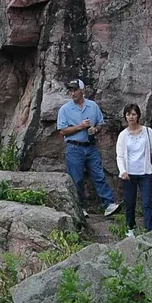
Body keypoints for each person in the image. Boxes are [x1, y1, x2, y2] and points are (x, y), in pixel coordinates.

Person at [56, 79, 118, 217]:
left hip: (90, 146)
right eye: (70, 90)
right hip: (74, 147)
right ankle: (79, 208)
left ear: (82, 91)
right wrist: (80, 126)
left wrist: (95, 129)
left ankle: (108, 204)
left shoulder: (93, 106)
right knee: (76, 179)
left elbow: (100, 124)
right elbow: (62, 131)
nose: (72, 93)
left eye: (75, 90)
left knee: (99, 175)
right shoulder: (65, 109)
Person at [114, 104, 152, 235]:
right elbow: (120, 156)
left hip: (145, 172)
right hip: (129, 174)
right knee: (130, 203)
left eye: (134, 114)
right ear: (125, 116)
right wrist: (123, 171)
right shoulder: (123, 135)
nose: (131, 117)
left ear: (138, 116)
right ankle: (130, 228)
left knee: (147, 202)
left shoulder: (147, 131)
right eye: (128, 114)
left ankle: (149, 230)